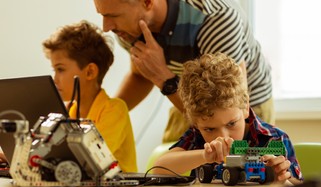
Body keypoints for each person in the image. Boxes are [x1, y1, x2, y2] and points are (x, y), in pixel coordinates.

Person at [93, 0, 274, 143]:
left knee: (236, 172)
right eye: (102, 15)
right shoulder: (128, 29)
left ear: (147, 2)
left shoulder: (215, 19)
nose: (106, 27)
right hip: (188, 95)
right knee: (171, 172)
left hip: (241, 105)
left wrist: (164, 78)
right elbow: (141, 76)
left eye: (112, 15)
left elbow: (225, 108)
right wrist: (102, 116)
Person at [153, 53, 302, 186]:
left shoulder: (274, 138)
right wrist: (204, 156)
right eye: (209, 129)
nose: (223, 137)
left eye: (231, 124)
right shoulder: (197, 137)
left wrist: (281, 179)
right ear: (196, 124)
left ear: (245, 107)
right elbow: (159, 169)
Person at [42, 20, 138, 172]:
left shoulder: (114, 110)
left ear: (90, 72)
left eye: (60, 69)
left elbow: (88, 158)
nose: (55, 79)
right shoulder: (68, 112)